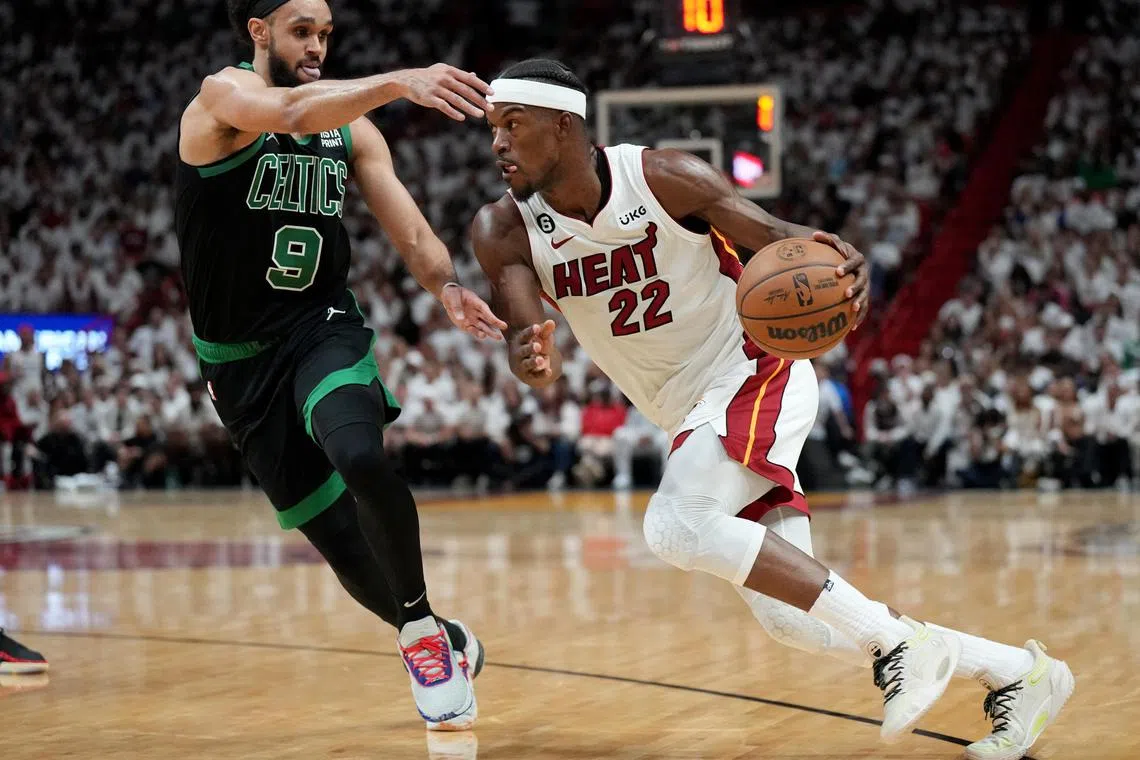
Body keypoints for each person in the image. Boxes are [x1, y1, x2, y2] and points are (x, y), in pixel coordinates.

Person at [471, 58, 1073, 757]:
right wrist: (529, 358)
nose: (498, 143)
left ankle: (896, 646)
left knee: (674, 525)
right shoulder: (503, 229)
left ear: (564, 125)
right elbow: (526, 339)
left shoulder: (662, 177)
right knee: (800, 623)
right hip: (689, 414)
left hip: (753, 368)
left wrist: (834, 256)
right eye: (493, 128)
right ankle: (1021, 675)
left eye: (513, 125)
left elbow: (769, 234)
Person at [175, 0, 506, 729]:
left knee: (356, 449)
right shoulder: (220, 99)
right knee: (342, 546)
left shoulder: (352, 126)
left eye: (326, 32)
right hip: (237, 363)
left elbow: (409, 226)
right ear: (259, 32)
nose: (319, 44)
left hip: (320, 325)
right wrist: (402, 80)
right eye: (303, 31)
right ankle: (441, 633)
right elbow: (289, 111)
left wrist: (446, 285)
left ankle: (419, 633)